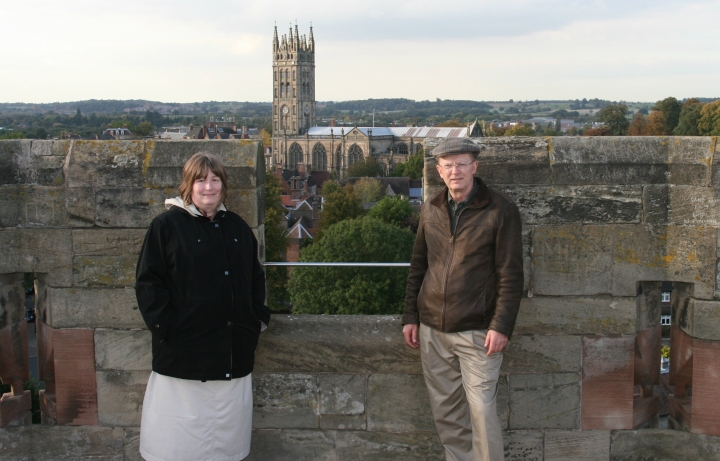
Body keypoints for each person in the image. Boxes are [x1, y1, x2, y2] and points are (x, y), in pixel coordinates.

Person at [135, 152, 269, 461]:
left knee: (224, 447)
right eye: (200, 180)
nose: (208, 187)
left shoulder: (237, 228)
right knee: (177, 446)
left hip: (231, 356)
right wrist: (165, 327)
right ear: (188, 186)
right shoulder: (167, 226)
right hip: (183, 357)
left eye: (215, 179)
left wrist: (256, 320)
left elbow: (255, 278)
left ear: (223, 185)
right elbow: (147, 282)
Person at [402, 137, 523, 461]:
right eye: (448, 165)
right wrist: (410, 317)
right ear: (439, 171)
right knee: (447, 416)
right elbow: (419, 265)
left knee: (482, 412)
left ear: (474, 167)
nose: (455, 171)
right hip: (432, 330)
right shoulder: (431, 208)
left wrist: (501, 326)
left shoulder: (501, 211)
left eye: (461, 164)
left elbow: (511, 275)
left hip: (477, 332)